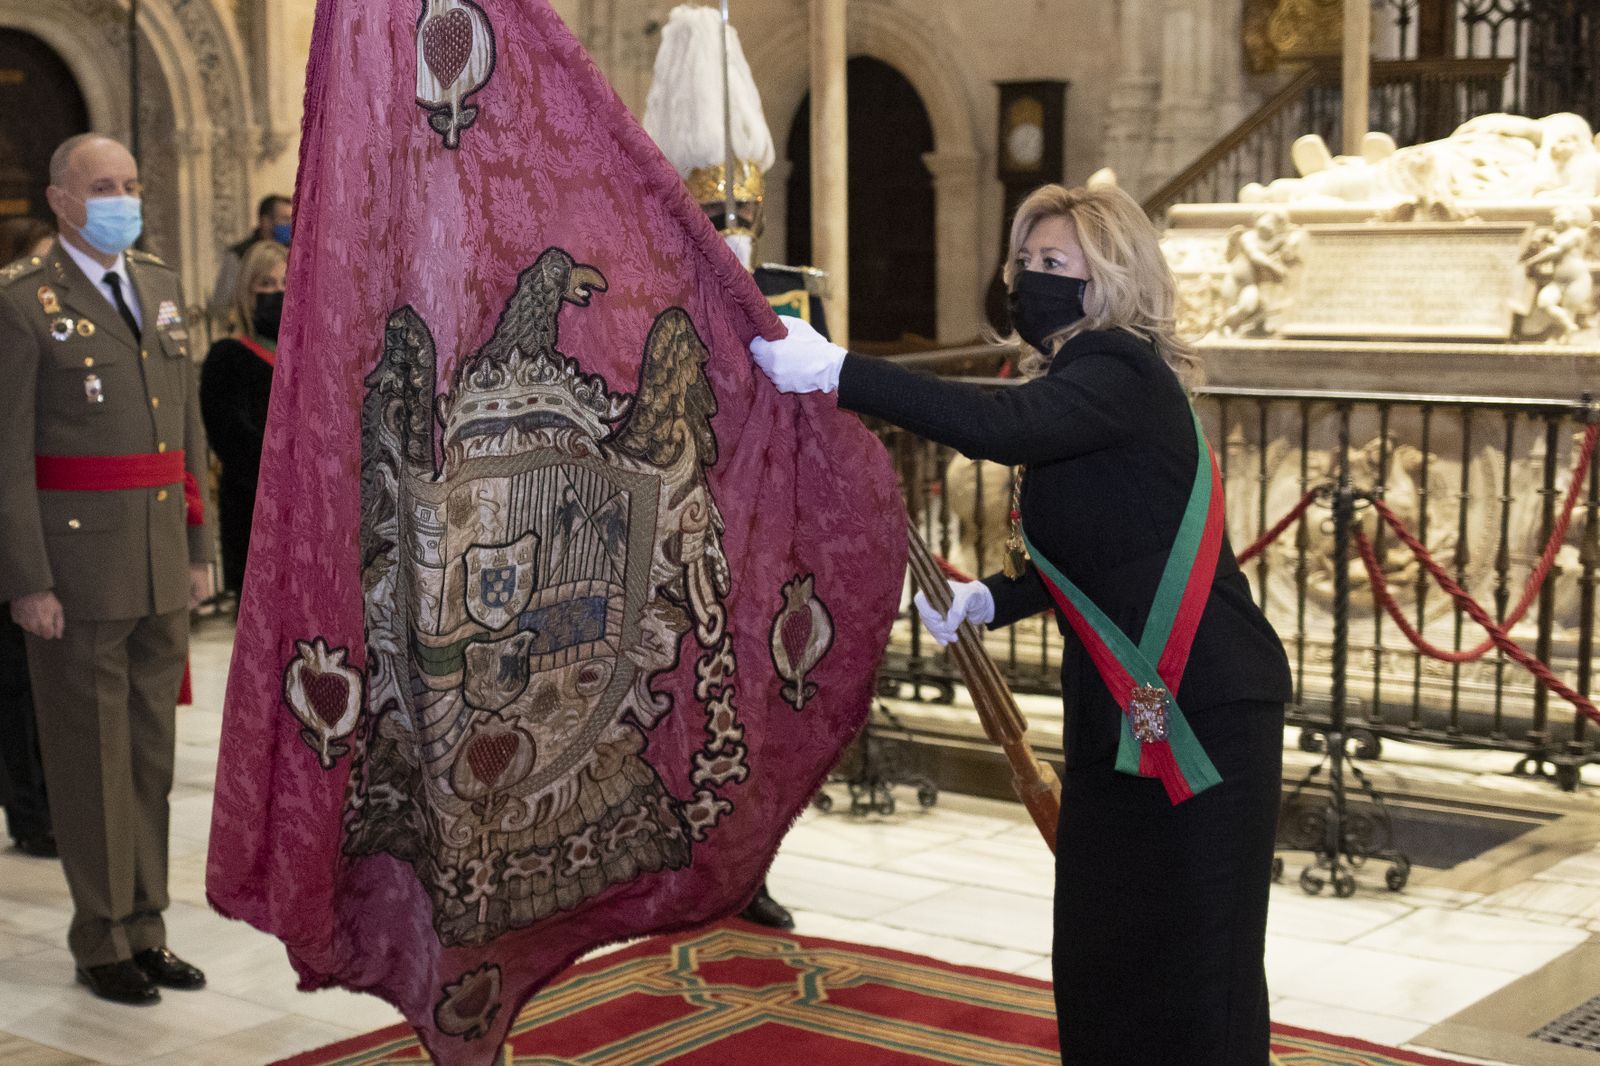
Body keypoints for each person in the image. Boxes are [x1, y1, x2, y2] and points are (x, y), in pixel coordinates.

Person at [750, 182, 1292, 1063]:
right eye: (1026, 262)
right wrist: (992, 599)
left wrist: (838, 371)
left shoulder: (1121, 368)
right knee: (1102, 953)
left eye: (1055, 264)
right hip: (1119, 709)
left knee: (1200, 960)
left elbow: (1002, 427)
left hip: (1207, 705)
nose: (1031, 278)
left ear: (1109, 276)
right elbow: (1103, 546)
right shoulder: (1079, 378)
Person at [0, 133, 213, 1006]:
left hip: (160, 558)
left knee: (150, 756)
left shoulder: (159, 287)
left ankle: (148, 924)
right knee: (89, 760)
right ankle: (100, 938)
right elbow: (8, 455)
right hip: (78, 569)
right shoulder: (22, 305)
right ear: (60, 200)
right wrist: (28, 579)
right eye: (101, 186)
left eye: (130, 183)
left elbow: (188, 432)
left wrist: (201, 552)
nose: (121, 197)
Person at [0, 216, 59, 859]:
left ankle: (50, 801)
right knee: (15, 685)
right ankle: (29, 810)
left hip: (45, 522)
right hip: (11, 525)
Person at [200, 240, 286, 596]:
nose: (278, 294)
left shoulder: (311, 356)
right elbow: (232, 439)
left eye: (286, 283)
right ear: (246, 291)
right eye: (266, 285)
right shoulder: (228, 357)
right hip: (255, 511)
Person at [207, 193, 291, 329]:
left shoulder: (295, 254)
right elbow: (221, 305)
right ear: (266, 222)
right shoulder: (239, 255)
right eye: (285, 219)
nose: (291, 226)